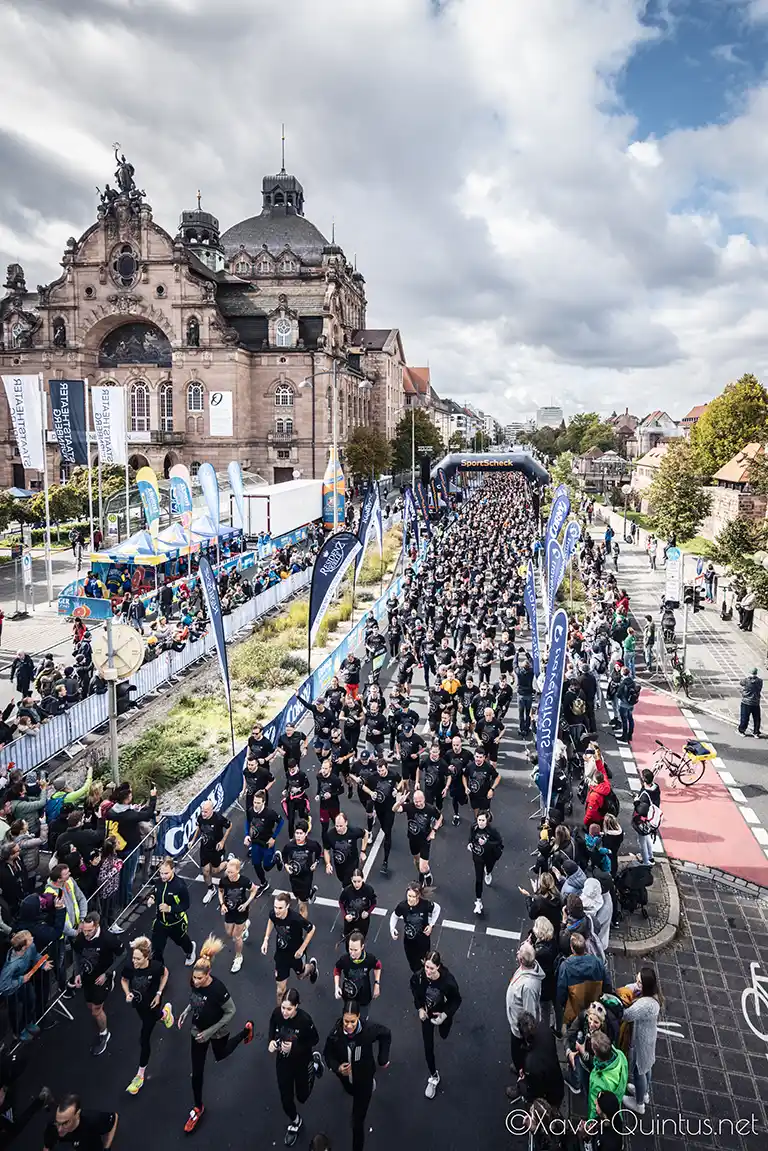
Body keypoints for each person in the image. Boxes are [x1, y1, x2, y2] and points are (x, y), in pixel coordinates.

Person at [176, 935, 254, 1133]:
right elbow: (195, 998)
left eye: (199, 978)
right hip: (198, 1032)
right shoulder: (195, 983)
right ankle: (198, 1107)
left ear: (208, 974)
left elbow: (231, 1011)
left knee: (221, 1055)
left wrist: (210, 1032)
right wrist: (186, 1012)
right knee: (197, 1073)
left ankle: (245, 1032)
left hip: (217, 1032)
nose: (195, 981)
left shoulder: (218, 989)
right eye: (194, 977)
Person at [323, 1003, 391, 1151]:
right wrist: (337, 1068)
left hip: (364, 1079)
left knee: (357, 1122)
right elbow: (327, 1055)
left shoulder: (369, 1030)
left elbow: (386, 1034)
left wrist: (382, 1058)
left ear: (358, 1017)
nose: (349, 1025)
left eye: (352, 1021)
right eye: (346, 1021)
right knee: (349, 1090)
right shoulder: (335, 1034)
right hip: (345, 1078)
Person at [268, 988, 325, 1147]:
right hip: (283, 1062)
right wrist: (271, 1041)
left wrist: (295, 1047)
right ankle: (295, 1121)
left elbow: (314, 1040)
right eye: (283, 1007)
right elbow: (272, 1025)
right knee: (286, 1099)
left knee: (302, 1097)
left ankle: (314, 1064)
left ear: (297, 1006)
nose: (285, 1012)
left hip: (302, 1061)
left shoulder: (304, 1020)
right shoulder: (277, 1014)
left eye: (289, 1009)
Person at [120, 934, 174, 1095]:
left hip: (152, 1002)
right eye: (133, 958)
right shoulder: (130, 967)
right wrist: (127, 993)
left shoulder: (156, 967)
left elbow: (166, 973)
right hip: (139, 1004)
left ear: (146, 957)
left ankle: (139, 1075)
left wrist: (159, 993)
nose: (134, 962)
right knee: (154, 1016)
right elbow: (123, 980)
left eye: (138, 959)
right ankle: (165, 1014)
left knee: (144, 1037)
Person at [410, 950, 462, 1099]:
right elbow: (414, 990)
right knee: (428, 1047)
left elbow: (456, 1000)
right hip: (427, 1014)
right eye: (426, 967)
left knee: (444, 1034)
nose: (428, 971)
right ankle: (434, 1076)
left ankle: (443, 1026)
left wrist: (445, 1015)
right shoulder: (419, 977)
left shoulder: (448, 982)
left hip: (441, 1014)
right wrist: (419, 1008)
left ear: (438, 967)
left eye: (431, 968)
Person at [71, 912, 124, 1057]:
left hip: (102, 978)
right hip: (88, 977)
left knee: (96, 1010)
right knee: (90, 1006)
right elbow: (76, 953)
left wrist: (107, 973)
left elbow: (123, 954)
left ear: (97, 926)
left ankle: (104, 1033)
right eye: (84, 930)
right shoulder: (81, 937)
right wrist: (76, 973)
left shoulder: (108, 939)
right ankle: (99, 1012)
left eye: (90, 930)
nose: (86, 934)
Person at [261, 891, 319, 1006]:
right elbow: (271, 920)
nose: (277, 910)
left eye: (280, 908)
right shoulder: (274, 914)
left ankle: (312, 967)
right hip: (281, 955)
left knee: (301, 976)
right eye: (275, 907)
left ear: (287, 906)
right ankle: (280, 1013)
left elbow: (312, 929)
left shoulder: (295, 919)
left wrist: (301, 949)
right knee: (280, 991)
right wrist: (266, 939)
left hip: (295, 954)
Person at [621, 965, 661, 1114]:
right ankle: (643, 1093)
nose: (636, 984)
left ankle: (639, 1104)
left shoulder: (645, 1004)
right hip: (649, 1037)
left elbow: (627, 1015)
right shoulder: (653, 995)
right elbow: (631, 988)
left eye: (639, 982)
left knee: (639, 1071)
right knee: (646, 1067)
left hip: (642, 1040)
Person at [508, 1011, 564, 1108]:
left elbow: (533, 1092)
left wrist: (522, 1082)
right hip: (557, 1081)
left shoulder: (532, 1064)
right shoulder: (545, 1029)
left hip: (549, 1097)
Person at [556, 933, 610, 1028]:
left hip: (574, 1009)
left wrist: (565, 1005)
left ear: (572, 948)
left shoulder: (565, 966)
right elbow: (607, 985)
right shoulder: (597, 962)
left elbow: (561, 992)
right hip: (593, 1007)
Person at [150, 856, 196, 965]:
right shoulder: (158, 882)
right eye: (161, 873)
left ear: (173, 870)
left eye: (166, 873)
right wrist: (152, 897)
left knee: (181, 941)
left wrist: (170, 908)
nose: (163, 876)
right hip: (160, 922)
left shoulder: (180, 885)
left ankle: (190, 950)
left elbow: (186, 904)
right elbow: (156, 892)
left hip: (175, 922)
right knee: (157, 949)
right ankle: (159, 970)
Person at [506, 941, 544, 1071]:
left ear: (521, 960)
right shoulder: (528, 969)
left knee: (518, 1054)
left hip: (519, 1030)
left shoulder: (528, 987)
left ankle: (521, 1073)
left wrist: (526, 1036)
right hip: (516, 1023)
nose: (517, 952)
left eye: (519, 951)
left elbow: (529, 1014)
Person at [393, 788, 441, 887]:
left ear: (424, 799)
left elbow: (440, 817)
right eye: (416, 801)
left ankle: (425, 874)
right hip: (412, 838)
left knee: (423, 867)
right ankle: (422, 872)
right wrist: (399, 802)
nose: (418, 804)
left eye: (419, 801)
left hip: (425, 839)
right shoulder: (410, 807)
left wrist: (434, 830)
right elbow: (394, 809)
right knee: (417, 860)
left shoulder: (430, 809)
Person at [217, 857, 257, 973]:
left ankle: (238, 957)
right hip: (229, 910)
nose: (229, 874)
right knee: (229, 933)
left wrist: (246, 903)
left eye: (231, 872)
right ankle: (245, 927)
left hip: (241, 911)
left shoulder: (244, 881)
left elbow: (254, 890)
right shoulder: (224, 881)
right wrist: (222, 904)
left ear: (238, 871)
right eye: (228, 872)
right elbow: (220, 891)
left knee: (236, 937)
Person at [390, 882, 441, 972]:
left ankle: (424, 976)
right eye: (409, 896)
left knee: (424, 963)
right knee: (413, 964)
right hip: (409, 941)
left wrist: (431, 925)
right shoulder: (403, 906)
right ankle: (417, 976)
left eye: (413, 897)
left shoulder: (425, 905)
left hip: (423, 941)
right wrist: (392, 928)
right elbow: (394, 916)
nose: (410, 899)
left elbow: (437, 909)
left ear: (418, 896)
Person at [189, 799, 231, 904]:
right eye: (202, 811)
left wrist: (222, 841)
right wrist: (193, 840)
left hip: (216, 849)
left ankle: (228, 862)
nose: (203, 814)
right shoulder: (201, 817)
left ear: (212, 810)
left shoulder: (218, 818)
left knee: (215, 871)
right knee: (205, 871)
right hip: (204, 848)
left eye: (206, 811)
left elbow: (229, 826)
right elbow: (199, 826)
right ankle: (211, 889)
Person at [334, 931, 382, 1020]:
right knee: (349, 1017)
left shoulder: (369, 958)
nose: (352, 953)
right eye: (350, 949)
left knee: (362, 1018)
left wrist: (377, 983)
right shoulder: (344, 959)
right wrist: (337, 987)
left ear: (362, 947)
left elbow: (378, 966)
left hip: (364, 996)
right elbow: (337, 970)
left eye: (355, 950)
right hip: (348, 995)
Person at [42, 1094, 118, 1150]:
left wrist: (107, 1148)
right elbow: (47, 1146)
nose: (59, 1129)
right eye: (58, 1123)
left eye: (65, 1123)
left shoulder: (92, 1119)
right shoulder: (52, 1125)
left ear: (77, 1114)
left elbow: (114, 1117)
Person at [244, 789, 283, 895]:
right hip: (256, 842)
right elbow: (247, 821)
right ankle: (264, 883)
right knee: (256, 864)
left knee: (267, 866)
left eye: (258, 803)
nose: (255, 805)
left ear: (263, 802)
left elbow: (281, 822)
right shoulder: (250, 811)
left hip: (267, 843)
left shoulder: (270, 813)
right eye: (254, 802)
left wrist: (273, 837)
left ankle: (276, 859)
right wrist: (247, 834)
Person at [281, 819, 323, 918]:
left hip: (306, 877)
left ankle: (303, 925)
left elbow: (318, 851)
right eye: (297, 833)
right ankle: (310, 894)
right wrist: (286, 865)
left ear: (305, 834)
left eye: (301, 833)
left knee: (302, 906)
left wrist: (316, 862)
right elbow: (284, 855)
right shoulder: (290, 846)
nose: (298, 836)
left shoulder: (312, 845)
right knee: (298, 897)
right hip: (294, 877)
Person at [467, 809, 504, 915]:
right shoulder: (473, 828)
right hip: (477, 856)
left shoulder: (492, 831)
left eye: (483, 820)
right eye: (479, 820)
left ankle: (488, 872)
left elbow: (499, 842)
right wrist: (470, 844)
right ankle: (478, 901)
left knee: (489, 869)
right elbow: (471, 838)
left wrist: (486, 843)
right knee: (478, 879)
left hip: (489, 857)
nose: (480, 823)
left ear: (487, 821)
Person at [586, 1030, 628, 1123]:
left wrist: (590, 1123)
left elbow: (595, 1107)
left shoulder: (599, 1081)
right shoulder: (620, 1055)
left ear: (595, 1053)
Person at [324, 812, 368, 888]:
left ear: (346, 823)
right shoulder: (330, 834)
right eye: (336, 826)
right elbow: (326, 850)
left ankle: (346, 896)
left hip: (352, 863)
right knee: (342, 879)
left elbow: (365, 833)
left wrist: (363, 851)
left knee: (347, 884)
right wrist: (328, 863)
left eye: (341, 826)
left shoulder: (353, 832)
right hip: (339, 865)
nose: (338, 828)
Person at [339, 870, 377, 948]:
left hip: (363, 921)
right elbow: (341, 903)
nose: (356, 884)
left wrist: (368, 912)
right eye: (354, 881)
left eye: (359, 881)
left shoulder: (368, 890)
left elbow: (374, 903)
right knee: (348, 942)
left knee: (361, 941)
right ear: (351, 879)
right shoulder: (347, 890)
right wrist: (345, 915)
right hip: (350, 921)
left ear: (363, 879)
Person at [615, 666, 639, 743]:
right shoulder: (632, 682)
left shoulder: (623, 683)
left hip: (623, 704)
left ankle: (624, 736)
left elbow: (618, 694)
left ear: (622, 673)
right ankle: (630, 735)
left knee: (624, 720)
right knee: (630, 719)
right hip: (631, 704)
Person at [738, 667, 762, 737]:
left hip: (746, 702)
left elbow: (741, 683)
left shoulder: (746, 680)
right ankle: (756, 732)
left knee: (744, 717)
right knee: (757, 718)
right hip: (756, 702)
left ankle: (742, 730)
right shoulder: (760, 681)